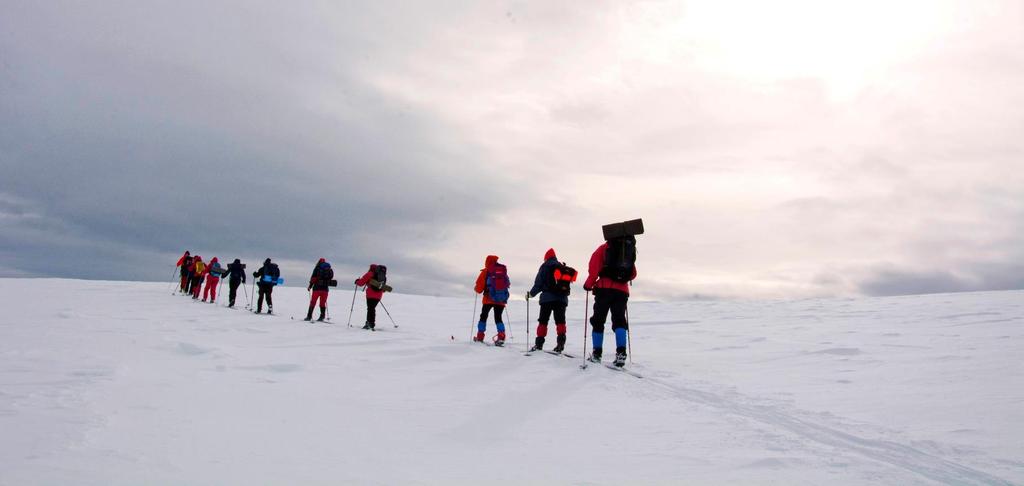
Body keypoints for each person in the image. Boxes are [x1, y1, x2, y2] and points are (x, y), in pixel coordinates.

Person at [583, 235, 637, 367]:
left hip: (604, 289)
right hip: (622, 291)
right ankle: (621, 354)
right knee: (619, 320)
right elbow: (633, 273)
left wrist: (588, 285)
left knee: (598, 320)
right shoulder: (628, 250)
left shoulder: (603, 248)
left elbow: (594, 270)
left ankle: (597, 354)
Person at [527, 248, 572, 353]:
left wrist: (530, 294)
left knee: (543, 321)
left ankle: (539, 344)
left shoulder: (545, 266)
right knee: (560, 321)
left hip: (547, 299)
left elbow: (538, 284)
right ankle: (560, 343)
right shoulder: (562, 267)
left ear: (546, 257)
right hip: (562, 299)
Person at [474, 255, 510, 345]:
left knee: (483, 316)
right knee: (498, 318)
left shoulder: (486, 271)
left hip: (488, 298)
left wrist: (476, 289)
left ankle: (480, 336)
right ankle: (501, 336)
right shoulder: (502, 271)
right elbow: (507, 284)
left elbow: (479, 288)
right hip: (500, 299)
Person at [354, 264, 387, 330]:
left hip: (370, 294)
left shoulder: (370, 274)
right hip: (379, 295)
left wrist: (357, 281)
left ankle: (369, 324)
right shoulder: (383, 276)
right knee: (372, 309)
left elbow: (361, 283)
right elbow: (383, 289)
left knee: (370, 309)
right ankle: (371, 323)